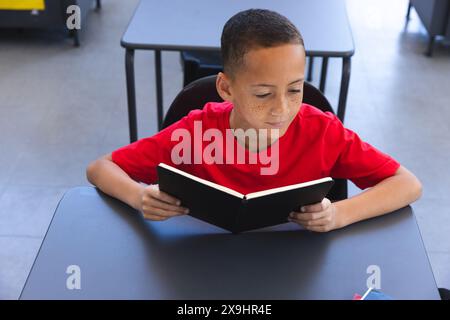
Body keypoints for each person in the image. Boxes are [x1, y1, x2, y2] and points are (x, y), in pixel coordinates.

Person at [86, 9, 422, 233]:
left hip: (295, 266)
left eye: (294, 90)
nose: (281, 109)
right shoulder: (195, 132)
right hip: (203, 265)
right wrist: (138, 196)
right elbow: (100, 168)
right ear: (226, 88)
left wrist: (339, 213)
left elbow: (407, 184)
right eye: (263, 94)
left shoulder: (323, 131)